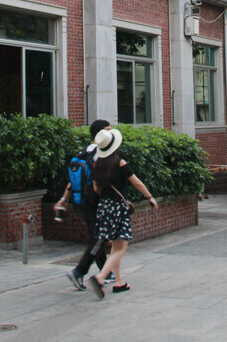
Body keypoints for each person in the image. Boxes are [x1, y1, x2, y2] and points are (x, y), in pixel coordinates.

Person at [88, 128, 158, 298]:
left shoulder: (97, 164)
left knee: (115, 245)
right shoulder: (120, 163)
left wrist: (106, 198)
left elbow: (96, 187)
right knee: (122, 247)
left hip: (103, 207)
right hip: (118, 207)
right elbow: (137, 182)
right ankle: (100, 277)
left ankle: (119, 282)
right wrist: (149, 197)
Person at [54, 119, 111, 291]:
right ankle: (79, 271)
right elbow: (98, 181)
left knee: (96, 234)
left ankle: (105, 272)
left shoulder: (84, 151)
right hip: (96, 200)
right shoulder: (100, 153)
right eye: (108, 130)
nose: (111, 133)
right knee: (99, 237)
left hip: (83, 200)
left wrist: (63, 199)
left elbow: (73, 180)